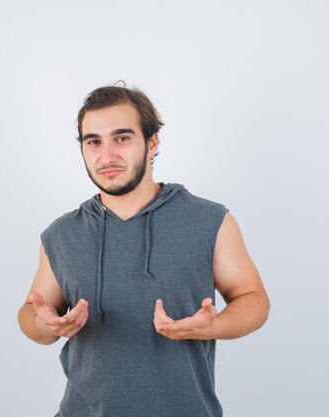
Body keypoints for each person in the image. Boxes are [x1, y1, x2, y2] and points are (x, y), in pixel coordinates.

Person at [17, 84, 270, 417]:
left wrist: (216, 326)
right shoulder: (62, 234)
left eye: (122, 138)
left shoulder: (210, 220)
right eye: (93, 141)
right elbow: (31, 313)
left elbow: (253, 298)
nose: (106, 156)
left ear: (152, 142)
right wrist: (46, 325)